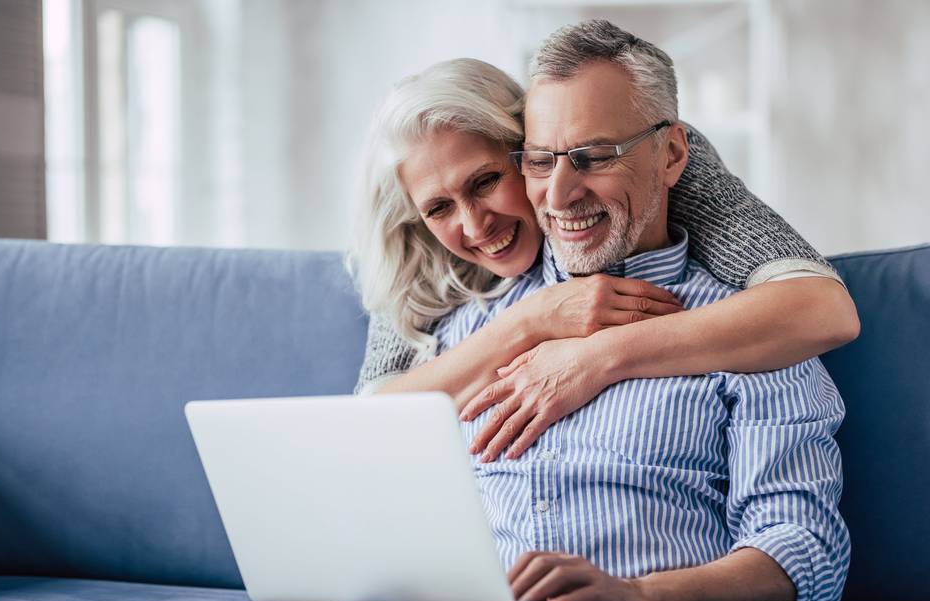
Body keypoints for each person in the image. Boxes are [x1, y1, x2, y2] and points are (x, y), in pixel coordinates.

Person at [311, 22, 851, 601]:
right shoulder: (462, 323)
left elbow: (805, 557)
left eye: (594, 157)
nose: (560, 194)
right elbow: (367, 454)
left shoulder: (756, 328)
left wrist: (633, 597)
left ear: (673, 155)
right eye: (540, 161)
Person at [349, 56, 857, 465]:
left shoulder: (661, 161)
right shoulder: (414, 252)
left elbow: (823, 309)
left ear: (529, 151)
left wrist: (596, 357)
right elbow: (364, 429)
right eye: (439, 207)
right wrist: (533, 319)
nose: (475, 226)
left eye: (486, 182)